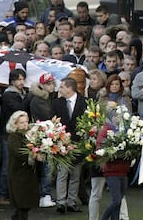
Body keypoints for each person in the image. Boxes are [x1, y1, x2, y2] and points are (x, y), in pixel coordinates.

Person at [53, 77, 86, 214]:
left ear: (70, 88)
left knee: (75, 174)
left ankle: (71, 202)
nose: (59, 89)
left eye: (62, 87)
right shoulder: (57, 103)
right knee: (62, 173)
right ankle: (61, 202)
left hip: (79, 143)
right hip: (62, 143)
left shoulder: (84, 102)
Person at [0, 68, 28, 205]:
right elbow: (20, 108)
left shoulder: (22, 93)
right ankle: (2, 194)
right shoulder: (9, 95)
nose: (21, 82)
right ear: (12, 81)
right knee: (7, 166)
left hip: (20, 133)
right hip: (8, 134)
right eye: (18, 79)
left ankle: (12, 194)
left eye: (23, 79)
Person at [28, 73, 56, 207]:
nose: (52, 86)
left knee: (45, 167)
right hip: (42, 136)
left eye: (52, 83)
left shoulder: (47, 98)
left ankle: (44, 194)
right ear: (42, 85)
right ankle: (44, 194)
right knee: (45, 167)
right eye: (48, 84)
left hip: (46, 135)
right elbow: (48, 116)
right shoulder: (38, 100)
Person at [7, 111, 42, 220]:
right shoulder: (14, 136)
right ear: (15, 123)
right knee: (22, 202)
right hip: (18, 173)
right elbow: (19, 152)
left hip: (28, 173)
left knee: (25, 204)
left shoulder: (28, 135)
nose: (25, 124)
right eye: (21, 122)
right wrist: (34, 156)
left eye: (26, 122)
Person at [96, 122, 130, 220]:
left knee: (118, 202)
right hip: (111, 171)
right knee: (116, 200)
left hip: (123, 170)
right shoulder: (106, 129)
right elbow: (99, 147)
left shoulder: (126, 128)